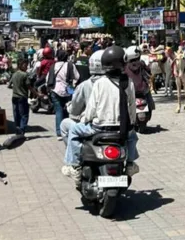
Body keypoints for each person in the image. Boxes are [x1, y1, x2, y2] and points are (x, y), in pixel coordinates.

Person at [62, 46, 138, 180]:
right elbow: (132, 106)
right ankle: (131, 164)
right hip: (121, 129)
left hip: (98, 128)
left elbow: (91, 108)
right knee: (132, 137)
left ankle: (74, 166)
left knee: (73, 131)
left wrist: (85, 120)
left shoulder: (100, 83)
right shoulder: (128, 82)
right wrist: (131, 123)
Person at [49, 49, 79, 140]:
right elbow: (77, 77)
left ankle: (59, 133)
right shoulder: (70, 65)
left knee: (58, 111)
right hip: (68, 91)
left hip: (55, 90)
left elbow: (48, 79)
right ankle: (66, 130)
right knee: (68, 110)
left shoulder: (53, 66)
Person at [8, 57, 32, 139]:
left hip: (14, 97)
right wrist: (38, 94)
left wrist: (16, 88)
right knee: (24, 115)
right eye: (25, 65)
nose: (26, 67)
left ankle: (18, 132)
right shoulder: (25, 75)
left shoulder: (14, 74)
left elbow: (9, 85)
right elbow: (29, 87)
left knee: (16, 115)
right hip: (22, 97)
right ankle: (21, 132)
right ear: (20, 65)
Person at [125, 45, 154, 112]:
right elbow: (149, 72)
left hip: (130, 91)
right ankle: (151, 106)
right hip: (142, 90)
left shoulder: (125, 66)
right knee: (147, 91)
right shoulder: (141, 63)